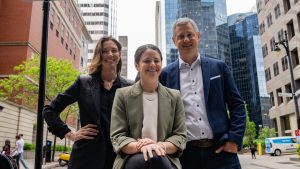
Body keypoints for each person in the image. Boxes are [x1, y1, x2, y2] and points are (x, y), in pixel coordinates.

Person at [159, 17, 246, 169]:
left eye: (190, 34)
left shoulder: (219, 67)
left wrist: (234, 139)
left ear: (198, 36)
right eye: (181, 36)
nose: (186, 39)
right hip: (184, 156)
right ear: (174, 40)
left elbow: (237, 105)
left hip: (221, 152)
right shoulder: (165, 75)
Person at [43, 36, 133, 169]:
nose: (110, 54)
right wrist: (69, 133)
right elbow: (49, 110)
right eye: (104, 51)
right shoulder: (83, 82)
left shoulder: (130, 87)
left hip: (118, 158)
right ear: (99, 54)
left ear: (119, 54)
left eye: (114, 50)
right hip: (85, 158)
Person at [110, 44, 187, 169]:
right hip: (131, 157)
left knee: (158, 159)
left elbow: (180, 135)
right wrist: (142, 146)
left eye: (156, 61)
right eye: (146, 61)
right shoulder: (122, 95)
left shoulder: (175, 96)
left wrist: (159, 146)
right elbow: (118, 136)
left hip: (165, 157)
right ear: (137, 65)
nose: (152, 64)